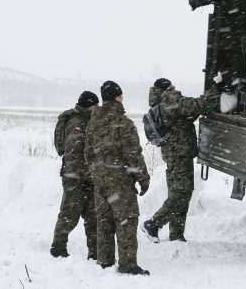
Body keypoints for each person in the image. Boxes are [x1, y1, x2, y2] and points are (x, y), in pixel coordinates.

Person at [141, 77, 220, 243]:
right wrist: (216, 88)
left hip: (173, 152)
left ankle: (176, 234)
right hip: (180, 153)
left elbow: (186, 114)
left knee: (176, 192)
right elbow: (196, 104)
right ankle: (153, 224)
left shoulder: (160, 101)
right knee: (182, 193)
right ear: (165, 87)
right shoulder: (170, 98)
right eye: (170, 84)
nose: (174, 86)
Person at [85, 80, 151, 276]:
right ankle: (128, 263)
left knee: (104, 220)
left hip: (101, 179)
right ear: (117, 98)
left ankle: (104, 260)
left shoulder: (93, 122)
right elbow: (133, 155)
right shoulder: (124, 123)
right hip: (120, 180)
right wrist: (143, 178)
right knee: (126, 221)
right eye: (121, 96)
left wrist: (97, 172)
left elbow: (88, 152)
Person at [50, 91, 99, 260]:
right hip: (75, 178)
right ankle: (58, 248)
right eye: (95, 105)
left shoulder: (87, 120)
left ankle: (95, 252)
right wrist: (83, 178)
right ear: (89, 105)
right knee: (70, 214)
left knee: (93, 217)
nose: (98, 108)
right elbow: (74, 155)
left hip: (87, 178)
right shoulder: (77, 123)